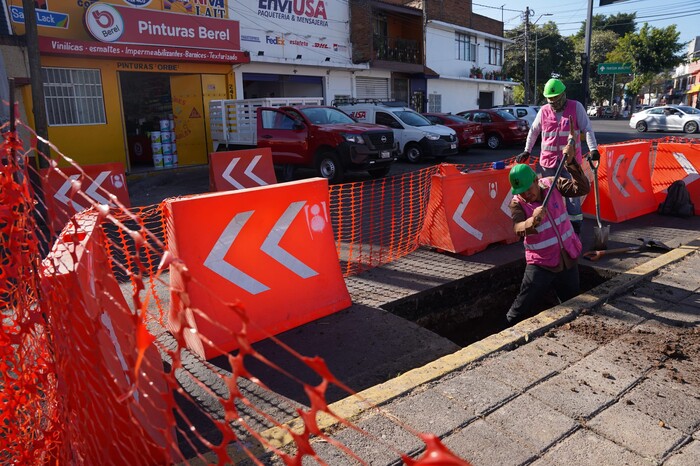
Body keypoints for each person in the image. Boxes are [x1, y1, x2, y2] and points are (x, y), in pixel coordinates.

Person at [506, 139, 591, 324]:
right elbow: (518, 229)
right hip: (541, 262)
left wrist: (571, 163)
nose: (526, 195)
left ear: (536, 180)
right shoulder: (517, 203)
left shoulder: (553, 184)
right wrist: (532, 220)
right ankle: (506, 330)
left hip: (568, 256)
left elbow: (583, 188)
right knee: (522, 306)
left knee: (571, 302)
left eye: (528, 190)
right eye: (521, 192)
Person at [515, 78, 600, 235]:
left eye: (556, 99)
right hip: (549, 163)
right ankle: (553, 226)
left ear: (564, 95)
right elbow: (534, 131)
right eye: (551, 100)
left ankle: (575, 228)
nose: (554, 103)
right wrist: (527, 150)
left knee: (573, 196)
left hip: (570, 162)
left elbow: (587, 129)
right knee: (549, 195)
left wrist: (593, 149)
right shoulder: (544, 111)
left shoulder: (576, 107)